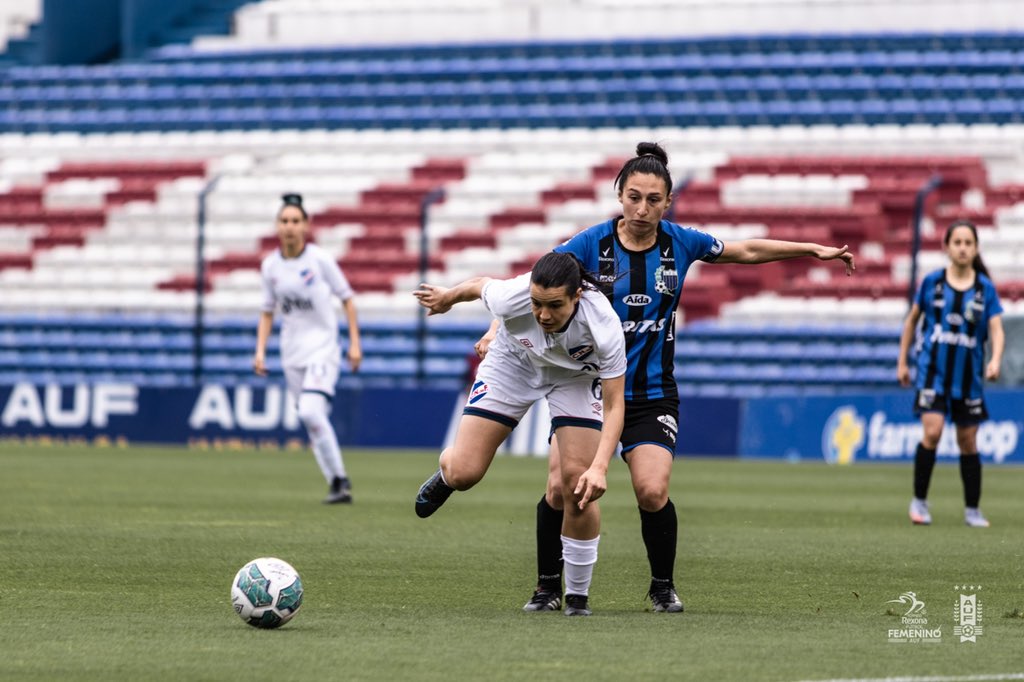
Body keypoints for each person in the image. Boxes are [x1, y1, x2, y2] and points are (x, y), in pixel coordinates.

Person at [476, 141, 856, 614]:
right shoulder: (588, 245)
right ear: (619, 195)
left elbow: (748, 249)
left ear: (668, 202)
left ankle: (662, 586)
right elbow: (533, 288)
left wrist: (810, 250)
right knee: (560, 487)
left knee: (652, 490)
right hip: (587, 390)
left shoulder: (682, 242)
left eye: (653, 199)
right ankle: (548, 587)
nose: (642, 208)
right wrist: (495, 328)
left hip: (652, 393)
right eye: (634, 197)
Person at [412, 251, 627, 617]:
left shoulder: (603, 324)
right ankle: (448, 473)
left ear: (577, 296)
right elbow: (480, 286)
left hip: (573, 379)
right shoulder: (512, 294)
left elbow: (615, 405)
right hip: (513, 363)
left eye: (554, 306)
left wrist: (600, 468)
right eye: (536, 304)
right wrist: (447, 298)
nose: (543, 315)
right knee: (465, 472)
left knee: (576, 483)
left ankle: (575, 596)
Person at [253, 193, 363, 504]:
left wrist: (355, 343)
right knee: (311, 419)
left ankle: (340, 479)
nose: (289, 227)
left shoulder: (319, 260)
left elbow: (347, 299)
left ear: (306, 226)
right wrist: (260, 351)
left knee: (311, 411)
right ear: (277, 226)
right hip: (292, 353)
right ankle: (337, 483)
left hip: (323, 349)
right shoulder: (270, 266)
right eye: (284, 221)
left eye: (295, 221)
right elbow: (267, 311)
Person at [897, 219, 1004, 528]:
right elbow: (911, 322)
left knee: (968, 441)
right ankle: (919, 502)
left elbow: (996, 329)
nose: (962, 248)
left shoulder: (985, 289)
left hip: (968, 377)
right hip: (932, 372)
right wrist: (902, 362)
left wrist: (995, 359)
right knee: (932, 432)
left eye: (968, 243)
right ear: (946, 247)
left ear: (976, 248)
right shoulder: (932, 283)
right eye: (957, 242)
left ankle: (972, 509)